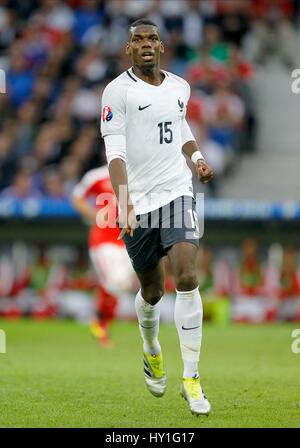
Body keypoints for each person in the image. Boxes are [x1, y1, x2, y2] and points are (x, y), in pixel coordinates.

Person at [100, 18, 214, 416]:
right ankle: (151, 349)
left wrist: (197, 158)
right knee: (153, 291)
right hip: (140, 204)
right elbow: (115, 153)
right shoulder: (117, 92)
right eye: (137, 40)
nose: (145, 45)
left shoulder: (179, 86)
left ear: (162, 46)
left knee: (187, 276)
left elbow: (179, 123)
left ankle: (193, 378)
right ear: (128, 48)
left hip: (177, 193)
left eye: (152, 39)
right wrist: (124, 203)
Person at [71, 165, 135, 347]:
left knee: (122, 285)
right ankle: (100, 323)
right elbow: (77, 197)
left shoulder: (136, 174)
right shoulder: (96, 175)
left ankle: (101, 320)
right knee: (117, 281)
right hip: (103, 240)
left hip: (127, 240)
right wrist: (94, 215)